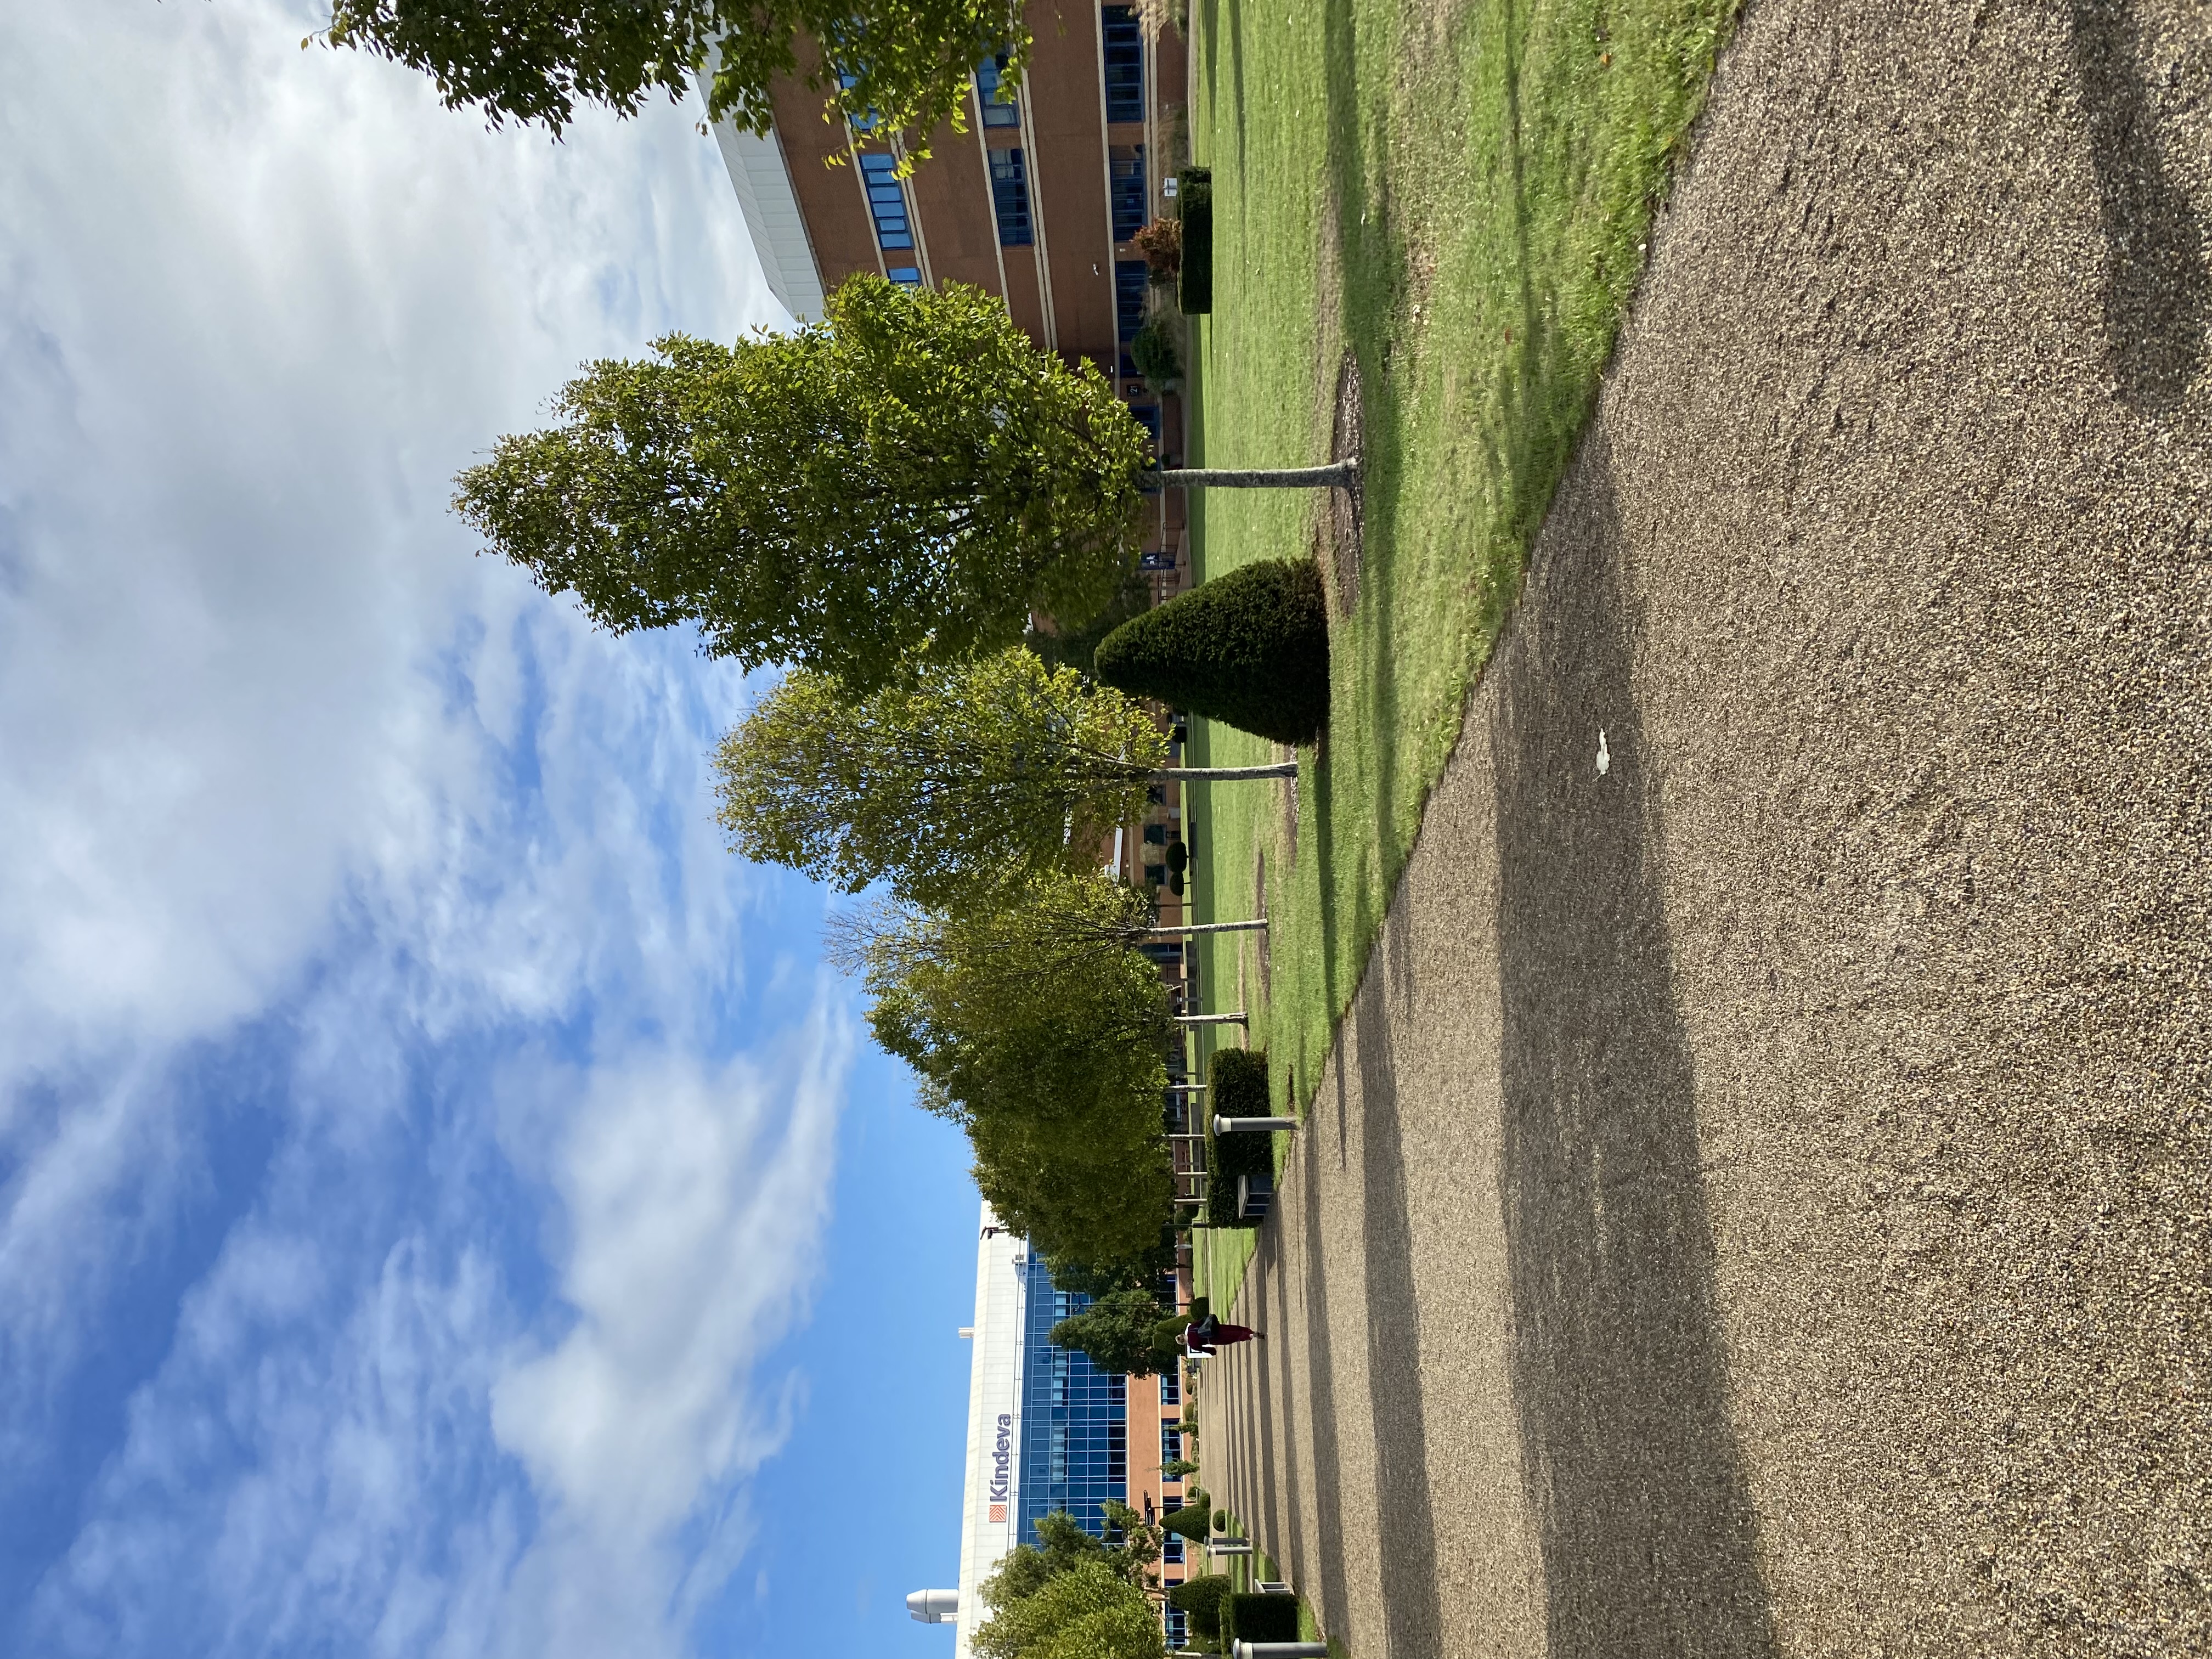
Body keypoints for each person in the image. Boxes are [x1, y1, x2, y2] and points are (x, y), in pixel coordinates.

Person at [1183, 1312, 1262, 1354]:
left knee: (1233, 1338)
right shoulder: (1191, 1328)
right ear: (1183, 1335)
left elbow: (1206, 1349)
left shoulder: (1193, 1345)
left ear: (1183, 1343)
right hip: (1215, 1328)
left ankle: (1250, 1336)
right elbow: (1202, 1321)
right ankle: (1249, 1332)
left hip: (1213, 1339)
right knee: (1233, 1329)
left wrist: (1213, 1352)